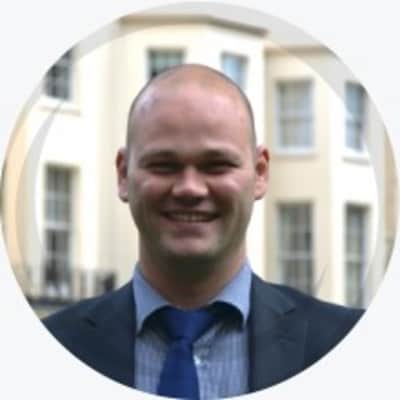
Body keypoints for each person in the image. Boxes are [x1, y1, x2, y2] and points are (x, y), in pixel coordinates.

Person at [43, 64, 363, 398]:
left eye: (216, 165)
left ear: (260, 173)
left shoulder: (347, 348)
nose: (190, 188)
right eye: (164, 165)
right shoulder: (52, 349)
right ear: (123, 175)